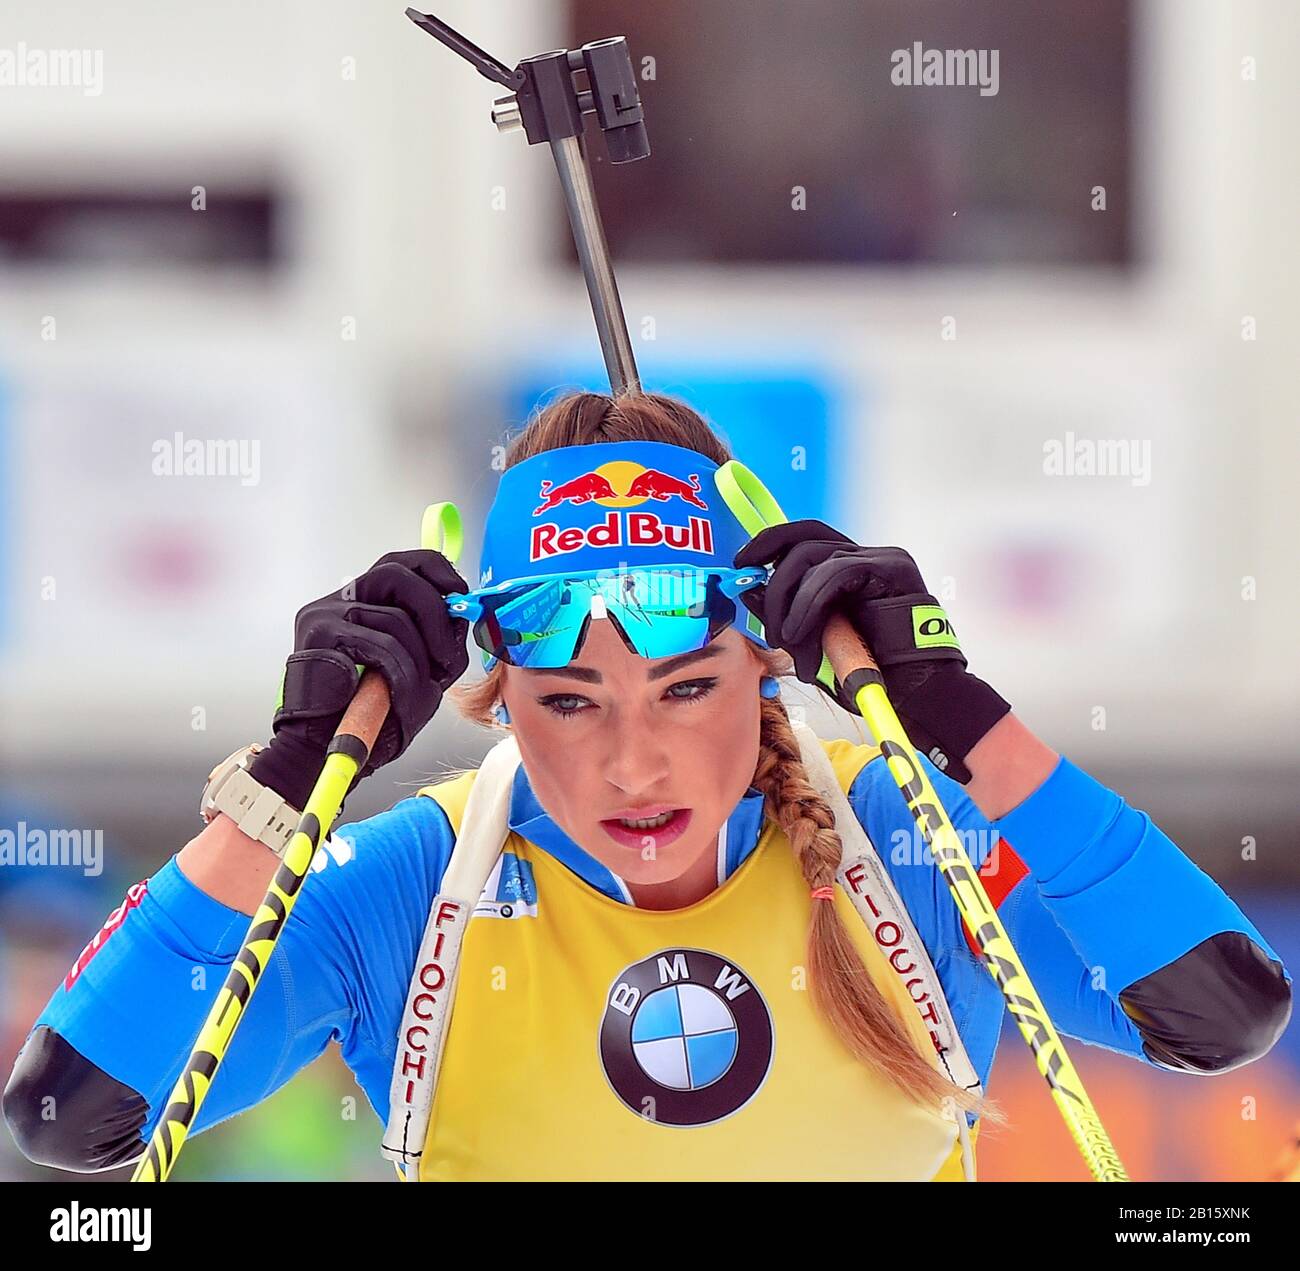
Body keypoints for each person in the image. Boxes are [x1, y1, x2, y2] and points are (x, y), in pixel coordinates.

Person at [3, 391, 1291, 1182]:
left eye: (686, 689)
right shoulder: (405, 887)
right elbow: (70, 1121)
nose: (633, 765)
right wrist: (287, 780)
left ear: (765, 664)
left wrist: (963, 722)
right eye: (570, 703)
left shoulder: (909, 844)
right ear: (495, 693)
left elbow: (1220, 1016)